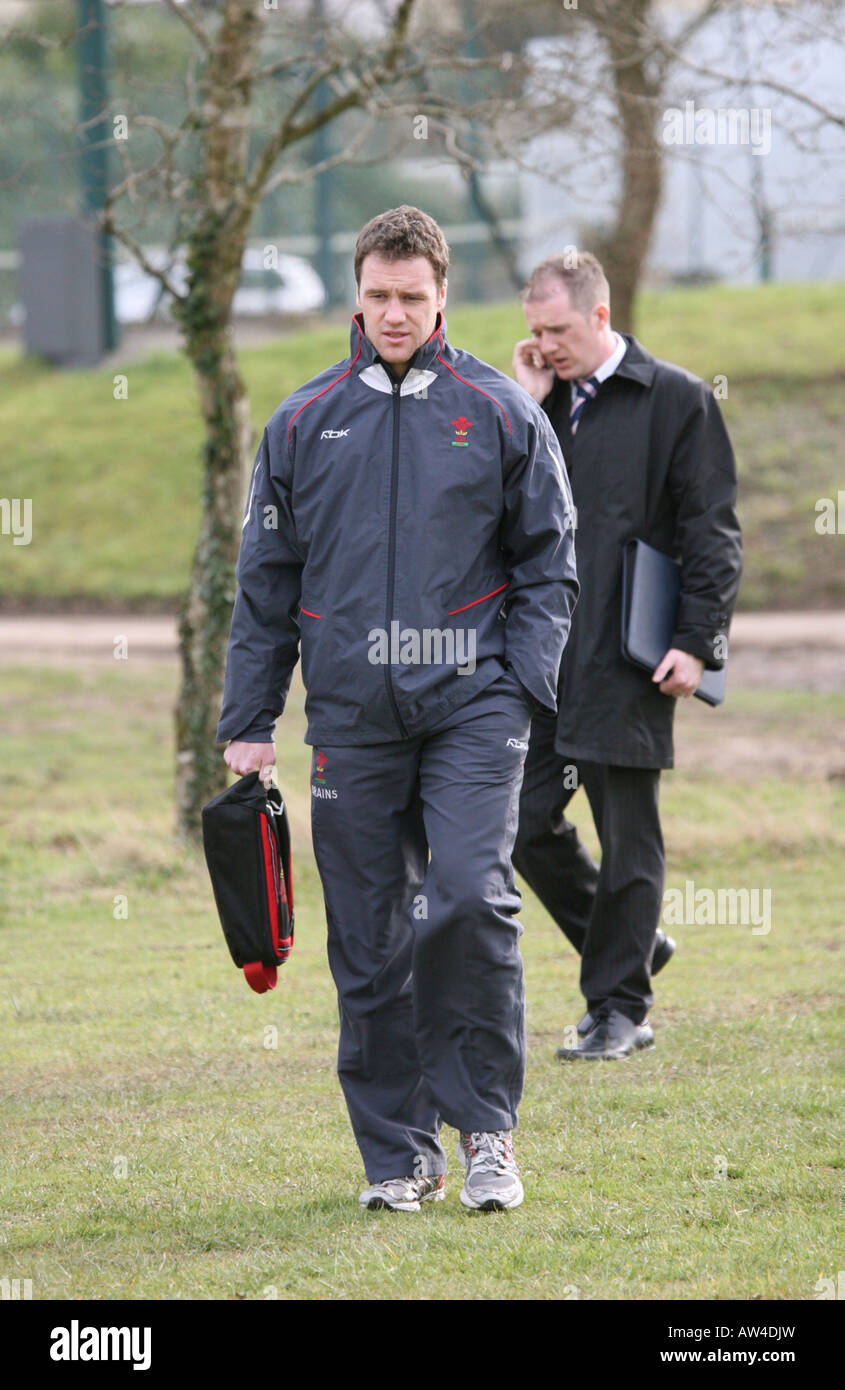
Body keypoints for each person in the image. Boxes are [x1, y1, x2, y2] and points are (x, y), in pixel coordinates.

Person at [216, 207, 578, 1209]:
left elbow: (551, 562)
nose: (392, 313)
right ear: (356, 293)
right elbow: (265, 581)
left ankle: (487, 1135)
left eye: (410, 298)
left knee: (468, 898)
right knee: (369, 936)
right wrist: (249, 723)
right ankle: (394, 1154)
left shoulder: (504, 412)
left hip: (473, 707)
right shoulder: (299, 422)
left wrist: (520, 681)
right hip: (350, 720)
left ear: (441, 297)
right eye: (376, 295)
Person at [511, 251, 742, 1061]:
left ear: (600, 316)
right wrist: (529, 404)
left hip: (630, 656)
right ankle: (632, 946)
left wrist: (696, 642)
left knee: (627, 836)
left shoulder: (676, 398)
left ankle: (618, 1009)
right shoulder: (543, 402)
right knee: (521, 824)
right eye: (534, 332)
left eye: (559, 330)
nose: (545, 344)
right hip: (543, 660)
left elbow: (711, 529)